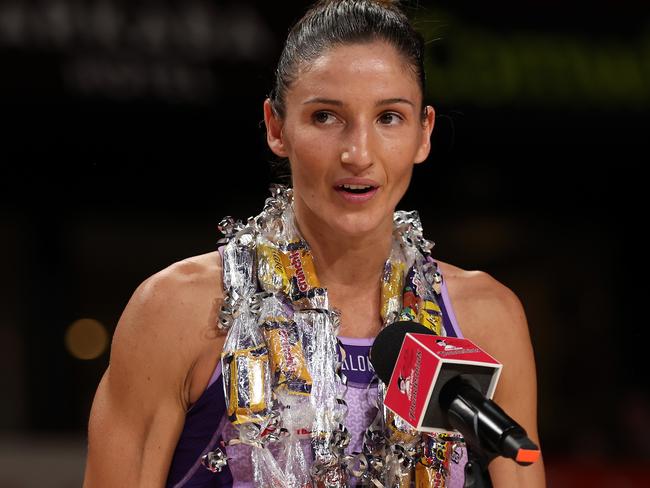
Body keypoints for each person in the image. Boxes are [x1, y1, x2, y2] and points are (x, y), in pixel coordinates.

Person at [83, 1, 546, 487]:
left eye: (389, 117)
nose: (358, 154)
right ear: (276, 127)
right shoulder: (176, 310)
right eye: (326, 116)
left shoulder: (487, 319)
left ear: (423, 133)